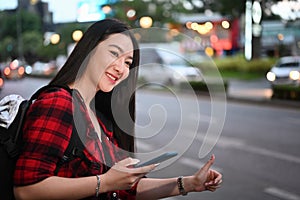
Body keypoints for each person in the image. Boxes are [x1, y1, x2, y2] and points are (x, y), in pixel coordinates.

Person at [13, 18, 222, 200]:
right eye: (114, 54)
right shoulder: (59, 103)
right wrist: (104, 182)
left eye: (128, 62)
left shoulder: (99, 119)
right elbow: (27, 190)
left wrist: (189, 183)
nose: (121, 68)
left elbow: (125, 187)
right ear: (90, 49)